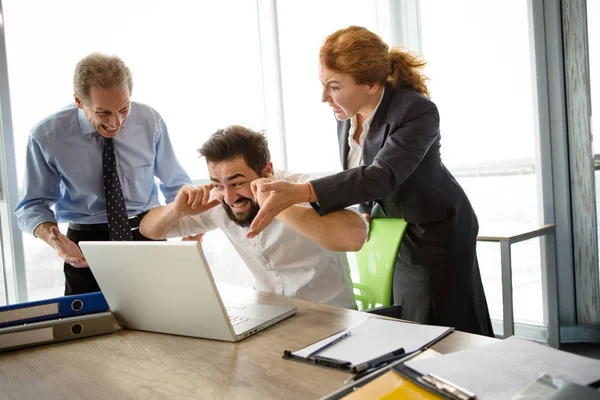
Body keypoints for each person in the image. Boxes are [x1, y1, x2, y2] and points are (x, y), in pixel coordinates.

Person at [247, 26, 494, 336]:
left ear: (373, 84)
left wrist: (300, 192)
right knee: (406, 317)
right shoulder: (346, 113)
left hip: (434, 228)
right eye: (323, 84)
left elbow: (382, 174)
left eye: (334, 87)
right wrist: (364, 210)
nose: (324, 97)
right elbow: (363, 172)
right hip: (394, 225)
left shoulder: (417, 111)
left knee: (442, 319)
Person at [14, 53, 191, 295]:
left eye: (124, 108)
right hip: (86, 246)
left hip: (148, 233)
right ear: (79, 101)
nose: (116, 121)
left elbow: (175, 184)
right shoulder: (47, 136)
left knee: (164, 322)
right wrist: (53, 239)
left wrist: (190, 224)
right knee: (90, 327)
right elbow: (32, 205)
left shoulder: (150, 121)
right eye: (104, 112)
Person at [139, 125, 366, 309]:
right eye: (218, 184)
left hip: (328, 316)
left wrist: (276, 205)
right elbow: (149, 230)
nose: (229, 197)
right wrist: (177, 210)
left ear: (266, 169)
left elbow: (354, 237)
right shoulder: (219, 200)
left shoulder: (301, 187)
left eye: (237, 183)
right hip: (271, 317)